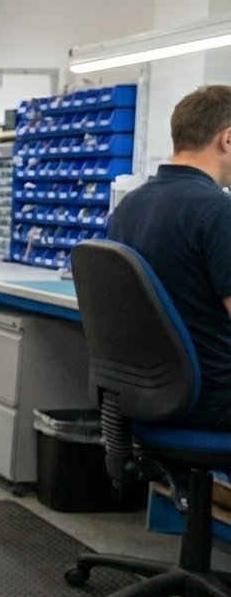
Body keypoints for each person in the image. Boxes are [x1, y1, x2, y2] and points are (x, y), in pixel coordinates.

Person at [107, 85, 231, 432]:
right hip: (211, 400)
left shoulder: (129, 206)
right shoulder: (218, 212)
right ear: (227, 139)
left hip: (142, 394)